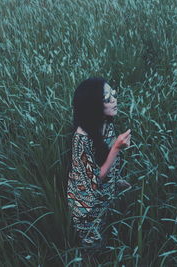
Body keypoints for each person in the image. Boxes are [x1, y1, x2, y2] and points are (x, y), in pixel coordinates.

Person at [67, 77, 132, 260]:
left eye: (114, 94)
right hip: (87, 207)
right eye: (106, 98)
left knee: (108, 233)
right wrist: (117, 148)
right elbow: (93, 180)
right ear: (92, 104)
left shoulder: (107, 123)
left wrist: (116, 180)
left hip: (104, 197)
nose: (114, 100)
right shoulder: (81, 139)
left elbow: (105, 160)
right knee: (93, 248)